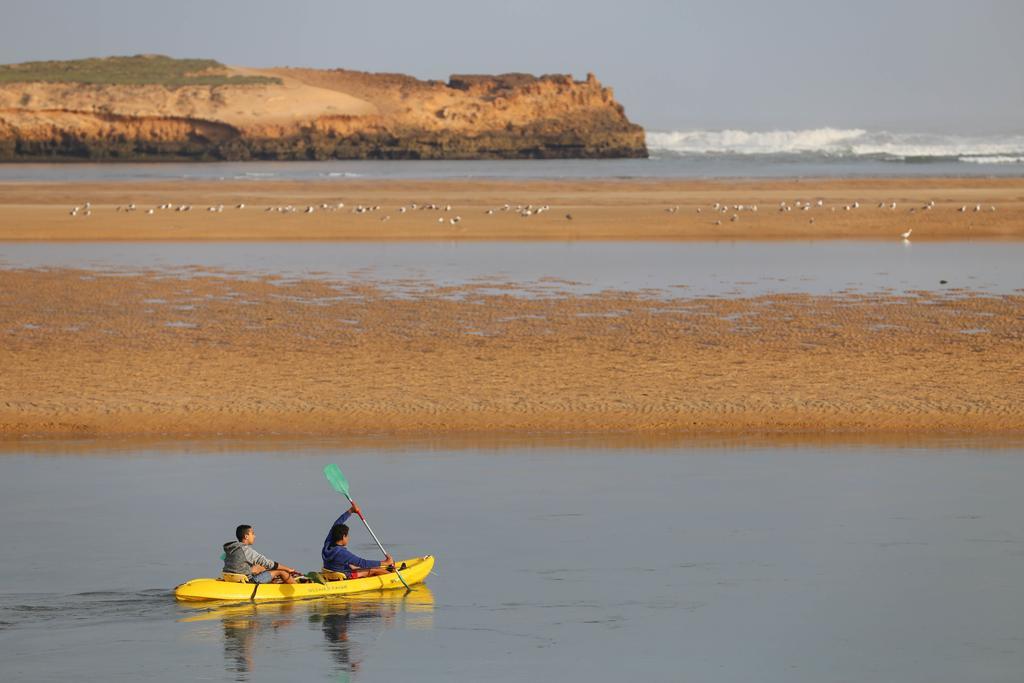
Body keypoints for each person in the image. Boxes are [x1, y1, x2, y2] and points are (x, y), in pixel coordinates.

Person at [322, 503, 394, 578]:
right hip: (347, 575)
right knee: (374, 569)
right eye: (347, 536)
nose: (348, 538)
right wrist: (385, 562)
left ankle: (389, 571)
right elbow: (363, 563)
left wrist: (350, 511)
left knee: (353, 566)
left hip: (333, 570)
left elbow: (336, 524)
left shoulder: (328, 544)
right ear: (343, 536)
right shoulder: (342, 553)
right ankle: (393, 576)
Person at [223, 524, 300, 584]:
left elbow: (226, 559)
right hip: (247, 581)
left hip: (229, 577)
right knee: (281, 571)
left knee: (260, 567)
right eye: (252, 534)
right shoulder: (246, 550)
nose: (254, 536)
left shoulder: (230, 548)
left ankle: (272, 581)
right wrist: (288, 569)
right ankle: (298, 589)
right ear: (246, 536)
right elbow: (268, 563)